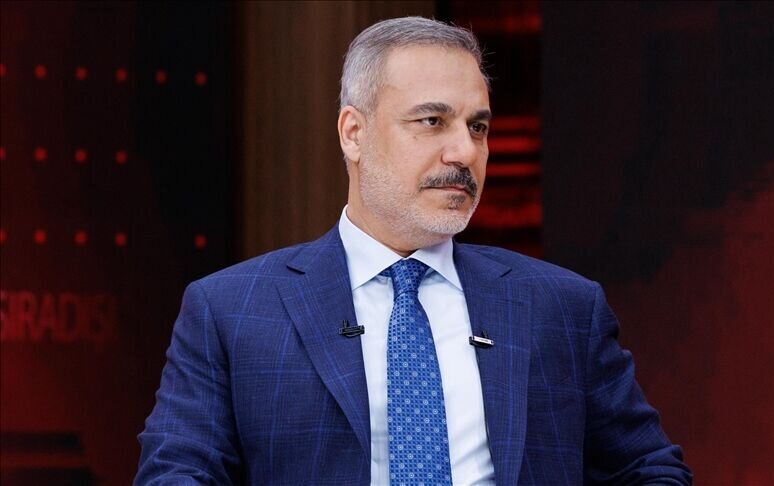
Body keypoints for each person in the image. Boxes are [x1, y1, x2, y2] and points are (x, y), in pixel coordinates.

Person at [135, 16, 691, 485]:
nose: (464, 151)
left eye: (478, 127)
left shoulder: (562, 306)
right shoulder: (229, 311)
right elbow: (175, 475)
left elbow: (651, 469)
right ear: (353, 133)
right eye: (432, 121)